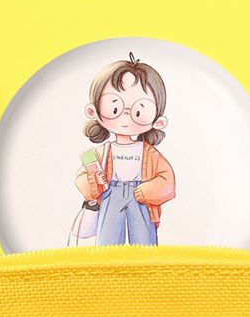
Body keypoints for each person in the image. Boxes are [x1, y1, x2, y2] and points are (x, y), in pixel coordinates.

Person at [74, 53, 175, 245]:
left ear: (158, 121)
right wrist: (94, 184)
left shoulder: (150, 154)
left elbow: (167, 181)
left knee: (144, 243)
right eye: (115, 108)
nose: (126, 116)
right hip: (109, 195)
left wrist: (146, 191)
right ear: (93, 111)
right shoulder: (100, 153)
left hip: (141, 197)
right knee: (108, 242)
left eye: (139, 111)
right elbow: (81, 178)